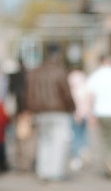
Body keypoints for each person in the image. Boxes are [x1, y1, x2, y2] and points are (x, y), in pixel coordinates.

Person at [24, 44, 75, 182]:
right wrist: (72, 107)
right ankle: (55, 172)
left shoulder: (35, 72)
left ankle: (43, 170)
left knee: (44, 141)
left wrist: (31, 109)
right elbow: (66, 93)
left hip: (40, 112)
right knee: (58, 142)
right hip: (59, 112)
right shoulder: (60, 71)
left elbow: (29, 93)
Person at [67, 64, 90, 172]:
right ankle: (83, 151)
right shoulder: (84, 78)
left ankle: (76, 157)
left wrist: (76, 111)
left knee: (74, 135)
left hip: (75, 111)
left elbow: (73, 96)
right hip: (84, 111)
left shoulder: (70, 78)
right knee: (82, 133)